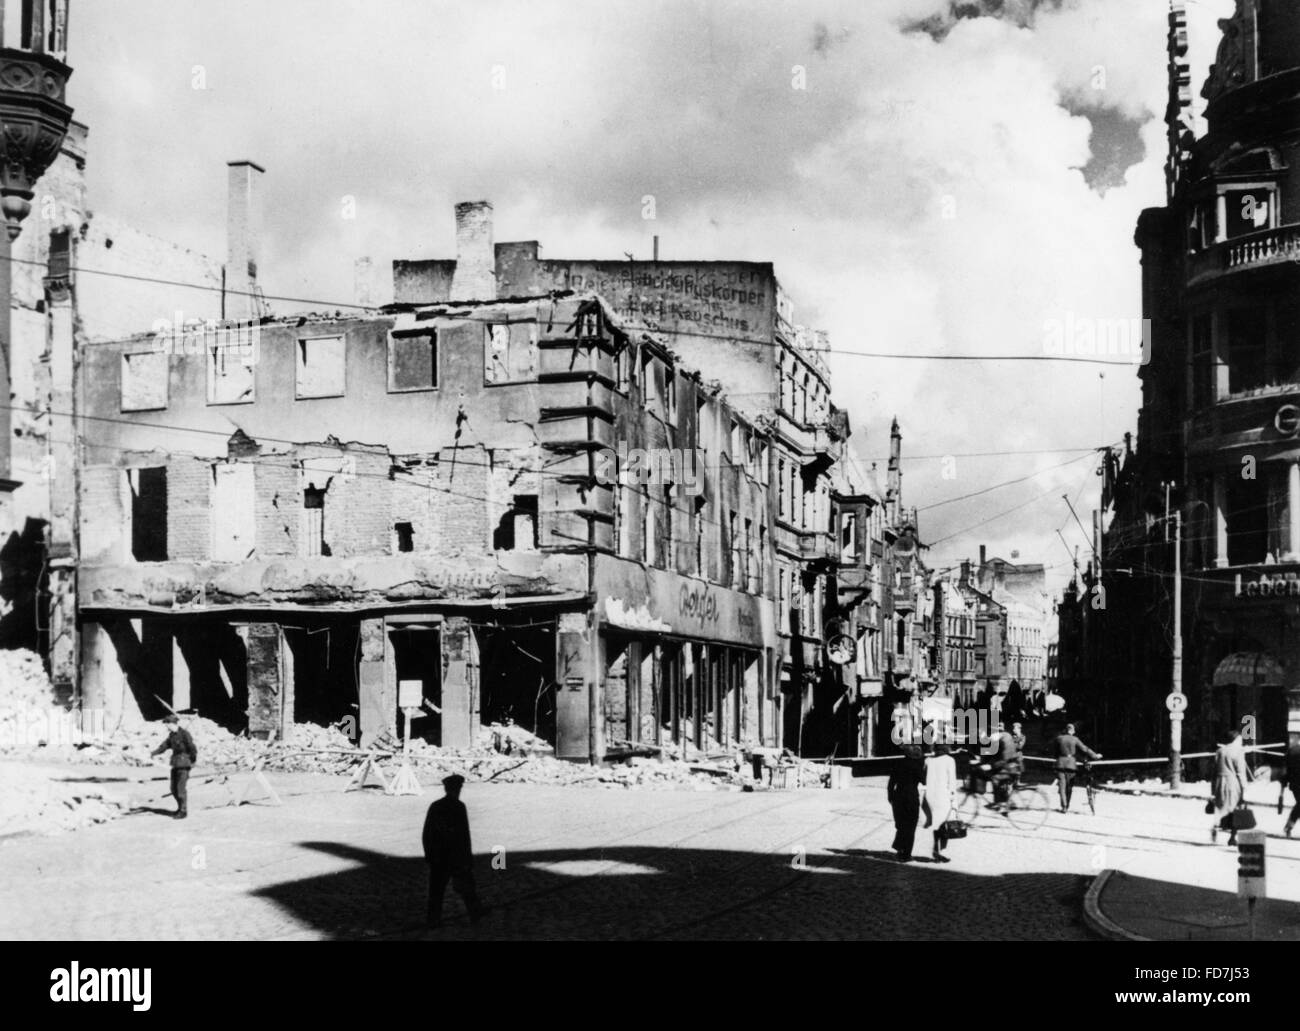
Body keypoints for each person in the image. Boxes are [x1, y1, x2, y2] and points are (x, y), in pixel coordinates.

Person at [423, 774, 487, 928]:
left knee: (436, 891)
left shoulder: (435, 806)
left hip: (439, 857)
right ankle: (475, 913)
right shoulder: (459, 807)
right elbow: (464, 836)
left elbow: (427, 833)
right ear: (458, 789)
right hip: (456, 857)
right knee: (466, 887)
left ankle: (433, 920)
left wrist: (429, 855)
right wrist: (468, 859)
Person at [151, 713, 197, 819]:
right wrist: (153, 753)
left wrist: (192, 761)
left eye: (167, 724)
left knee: (181, 789)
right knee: (173, 789)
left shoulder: (185, 734)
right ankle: (180, 807)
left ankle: (183, 811)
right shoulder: (172, 735)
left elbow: (192, 748)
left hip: (184, 764)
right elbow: (164, 746)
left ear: (172, 723)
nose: (166, 727)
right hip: (175, 764)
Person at [1211, 727, 1251, 845]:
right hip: (1233, 783)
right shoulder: (1238, 752)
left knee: (1221, 807)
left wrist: (1213, 788)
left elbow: (1214, 771)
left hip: (1219, 781)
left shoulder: (1219, 751)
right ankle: (1232, 837)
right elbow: (1240, 772)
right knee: (1235, 809)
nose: (1241, 741)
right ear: (1236, 739)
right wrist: (1244, 787)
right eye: (1240, 739)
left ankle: (1216, 826)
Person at [887, 745, 925, 862]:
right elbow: (924, 781)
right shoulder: (917, 766)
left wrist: (890, 797)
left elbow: (891, 783)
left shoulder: (898, 764)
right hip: (912, 798)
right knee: (911, 826)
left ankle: (899, 849)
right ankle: (906, 853)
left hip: (898, 796)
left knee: (901, 824)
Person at [1052, 722, 1100, 813]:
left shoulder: (1058, 739)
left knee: (1062, 786)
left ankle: (1064, 807)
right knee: (1069, 787)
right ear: (1073, 731)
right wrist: (1095, 756)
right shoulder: (1075, 739)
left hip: (1060, 764)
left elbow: (1055, 753)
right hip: (1071, 765)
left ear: (1066, 730)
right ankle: (1067, 805)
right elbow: (1085, 749)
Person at [923, 743, 958, 863]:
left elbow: (923, 778)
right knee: (945, 825)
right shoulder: (950, 760)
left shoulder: (928, 760)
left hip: (930, 796)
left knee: (936, 824)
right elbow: (952, 781)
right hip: (944, 796)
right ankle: (939, 850)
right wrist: (954, 800)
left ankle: (936, 849)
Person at [987, 723, 1020, 812]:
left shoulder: (1000, 738)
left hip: (1009, 766)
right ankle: (1003, 802)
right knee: (1002, 783)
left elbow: (1001, 756)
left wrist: (990, 765)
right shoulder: (1007, 735)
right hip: (1014, 765)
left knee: (995, 778)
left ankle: (1001, 803)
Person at [1283, 748, 1300, 838]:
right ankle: (1289, 826)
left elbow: (1285, 769)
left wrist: (1284, 782)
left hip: (1294, 785)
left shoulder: (1293, 750)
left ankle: (1289, 826)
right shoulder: (1294, 751)